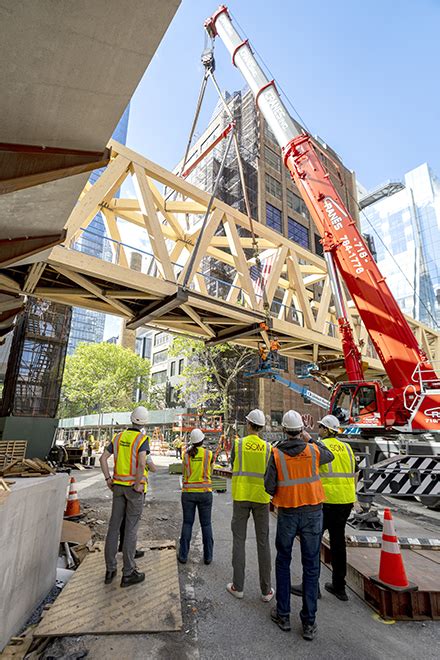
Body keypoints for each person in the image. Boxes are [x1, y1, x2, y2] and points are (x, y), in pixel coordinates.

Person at [264, 410, 334, 641]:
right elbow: (329, 455)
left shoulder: (276, 453)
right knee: (311, 565)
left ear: (284, 430)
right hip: (313, 513)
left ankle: (283, 614)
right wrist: (310, 438)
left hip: (288, 513)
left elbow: (269, 486)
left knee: (283, 561)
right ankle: (309, 622)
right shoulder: (313, 450)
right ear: (300, 431)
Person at [291, 414, 358, 602]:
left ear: (327, 430)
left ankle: (311, 586)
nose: (318, 429)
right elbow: (355, 471)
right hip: (345, 502)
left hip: (325, 501)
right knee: (338, 544)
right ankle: (339, 587)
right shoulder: (347, 448)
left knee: (313, 544)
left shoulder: (320, 448)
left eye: (321, 426)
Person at [100, 405, 157, 588]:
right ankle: (128, 572)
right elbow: (142, 464)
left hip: (117, 487)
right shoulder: (142, 439)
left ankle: (110, 570)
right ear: (144, 423)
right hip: (133, 490)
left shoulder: (118, 437)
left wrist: (108, 479)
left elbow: (102, 459)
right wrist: (138, 482)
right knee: (131, 529)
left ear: (131, 419)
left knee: (113, 527)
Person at [227, 409, 274, 602]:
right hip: (262, 499)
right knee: (263, 543)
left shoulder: (237, 444)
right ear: (261, 427)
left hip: (241, 497)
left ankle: (238, 587)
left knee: (239, 540)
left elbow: (232, 464)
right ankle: (266, 591)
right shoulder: (268, 448)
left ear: (248, 424)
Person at [178, 429, 214, 565]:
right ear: (202, 440)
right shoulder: (208, 454)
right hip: (205, 493)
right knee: (206, 524)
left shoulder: (185, 455)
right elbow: (210, 472)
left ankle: (183, 556)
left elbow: (184, 473)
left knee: (187, 523)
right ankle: (208, 557)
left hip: (188, 493)